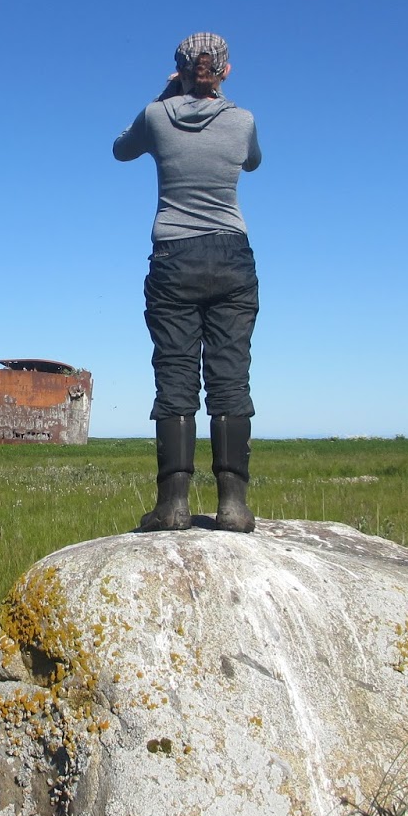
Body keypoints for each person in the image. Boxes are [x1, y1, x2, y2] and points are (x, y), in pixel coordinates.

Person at [114, 32, 262, 532]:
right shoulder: (243, 120)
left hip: (173, 256)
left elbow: (121, 149)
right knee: (230, 375)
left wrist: (166, 94)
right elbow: (253, 161)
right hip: (232, 254)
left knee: (175, 373)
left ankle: (172, 505)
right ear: (225, 70)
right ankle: (233, 505)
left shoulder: (157, 116)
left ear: (178, 70)